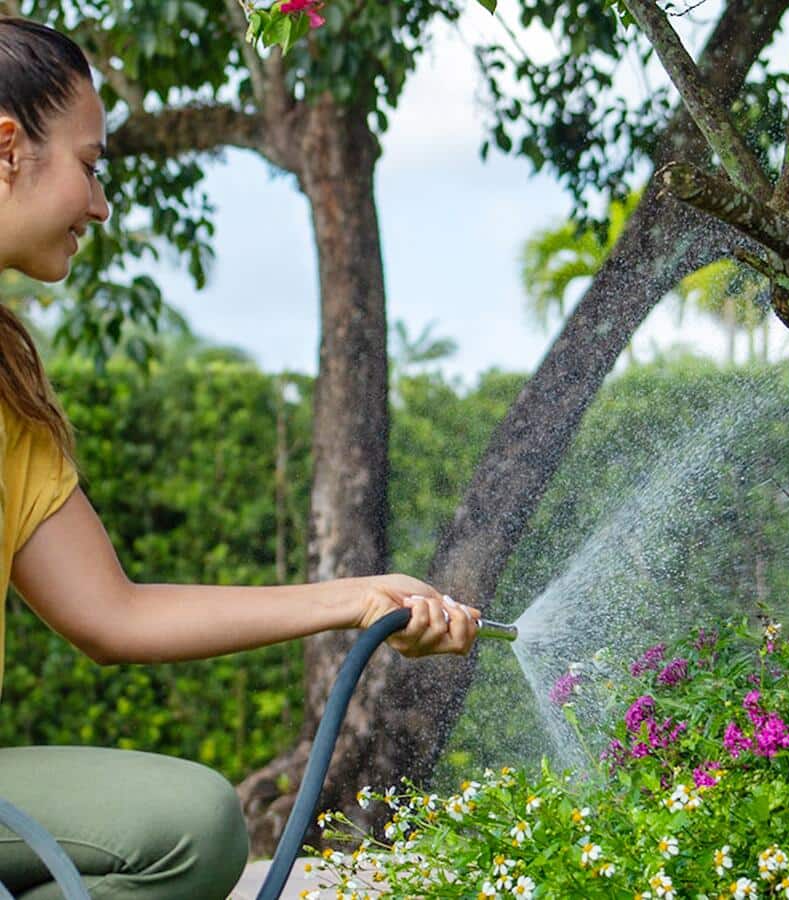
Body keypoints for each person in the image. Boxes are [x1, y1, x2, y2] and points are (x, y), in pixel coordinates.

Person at [0, 17, 482, 899]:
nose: (101, 204)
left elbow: (113, 614)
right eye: (91, 164)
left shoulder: (8, 394)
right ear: (7, 150)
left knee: (193, 825)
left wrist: (361, 596)